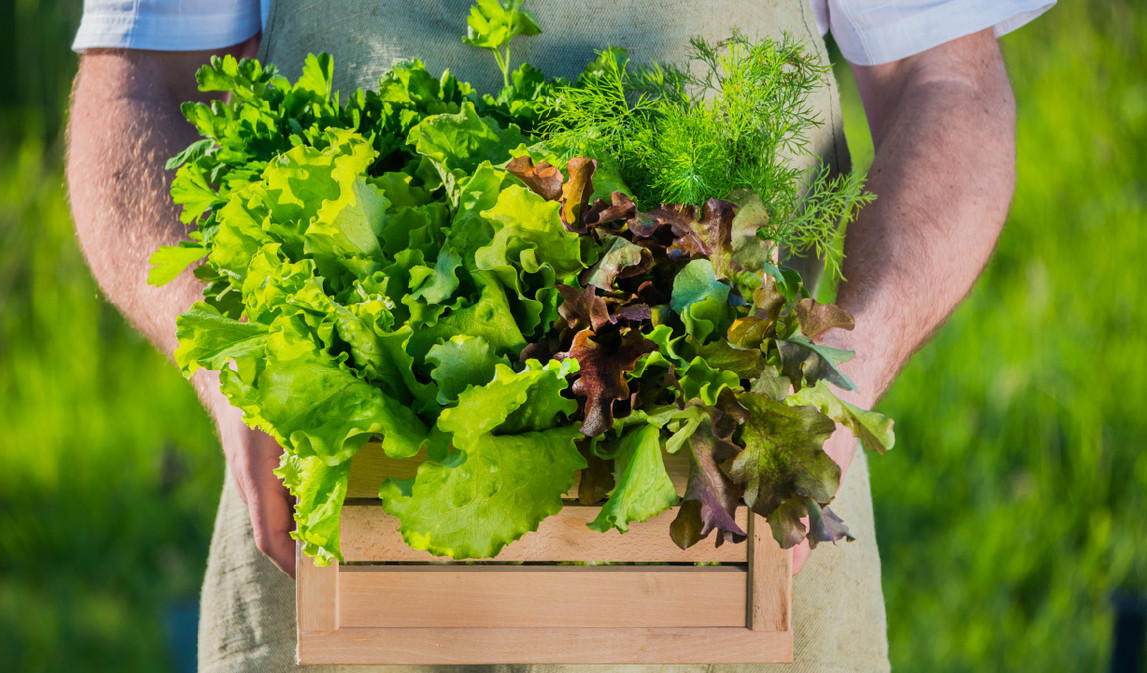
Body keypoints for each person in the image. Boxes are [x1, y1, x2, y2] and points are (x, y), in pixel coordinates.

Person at [66, 1, 1053, 671]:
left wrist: (841, 374)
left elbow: (945, 81)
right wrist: (229, 362)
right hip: (338, 502)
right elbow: (137, 87)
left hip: (744, 490)